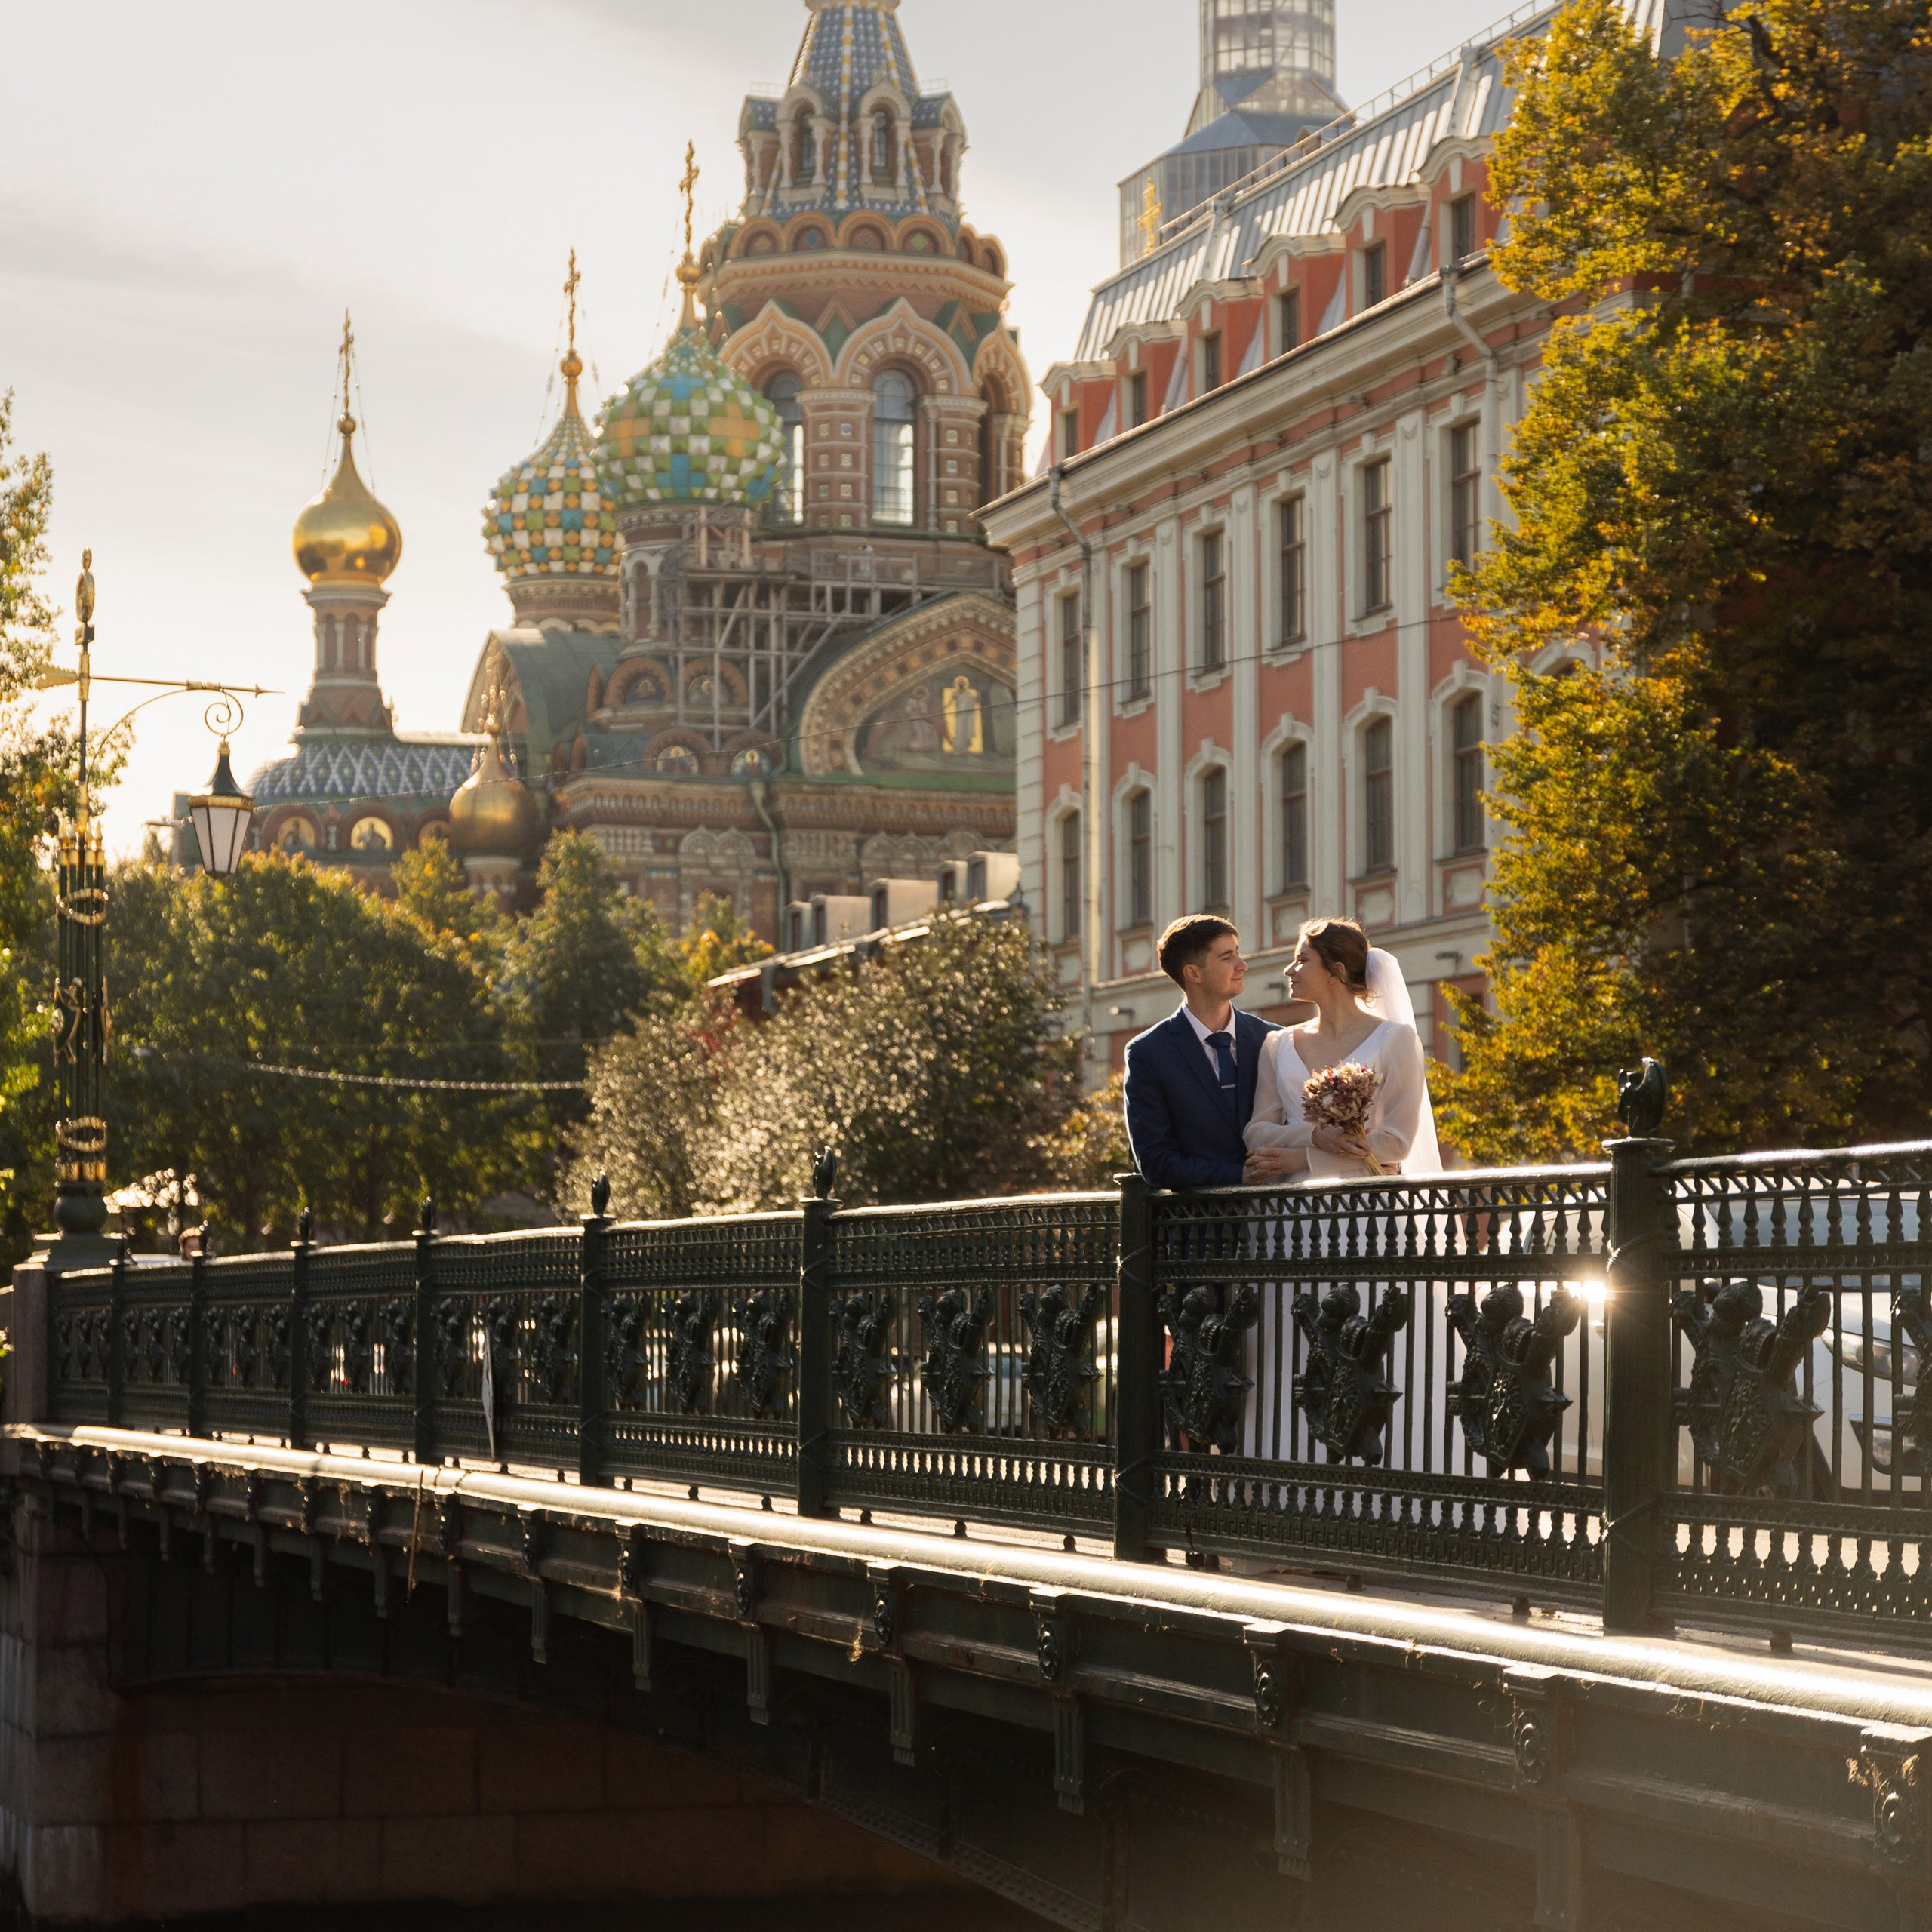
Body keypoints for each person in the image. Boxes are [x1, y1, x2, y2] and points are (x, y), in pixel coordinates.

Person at [1241, 916, 1442, 1181]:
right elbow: (1257, 1132)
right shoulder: (1277, 1044)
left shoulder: (1396, 1039)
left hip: (1364, 1207)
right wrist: (1314, 1137)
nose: (1289, 970)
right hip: (1291, 1210)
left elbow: (1396, 1142)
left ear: (1336, 972)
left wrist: (1301, 1159)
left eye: (1302, 960)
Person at [1124, 916, 1279, 1189]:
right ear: (1193, 973)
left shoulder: (1273, 1039)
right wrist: (1238, 1176)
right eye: (1227, 957)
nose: (1242, 965)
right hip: (1198, 1227)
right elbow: (1156, 1162)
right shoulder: (1148, 1053)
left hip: (1279, 1224)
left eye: (1238, 953)